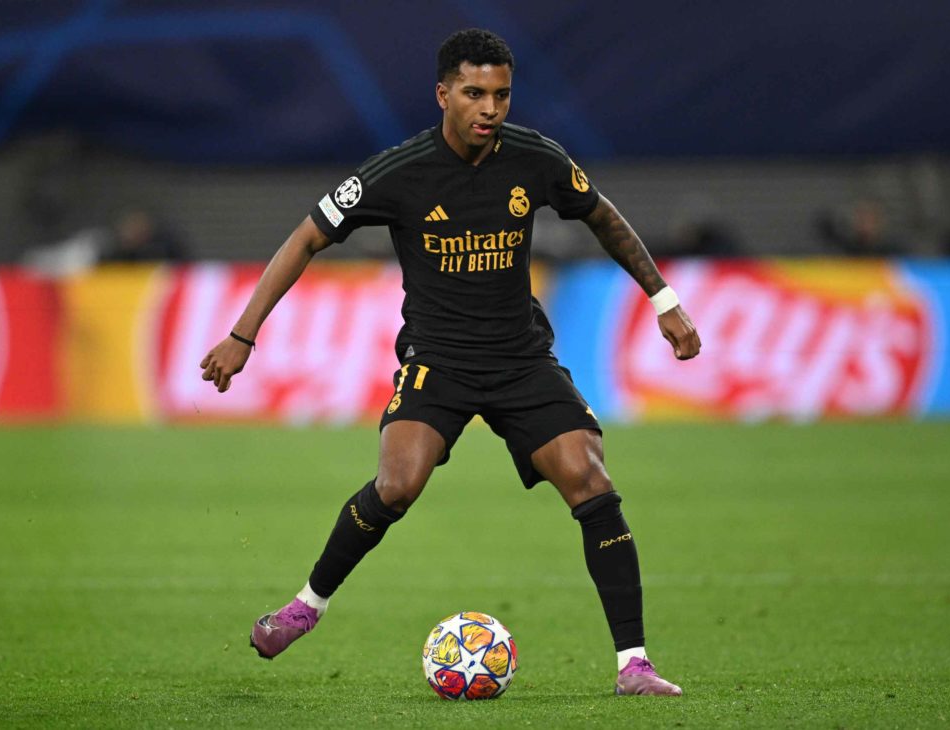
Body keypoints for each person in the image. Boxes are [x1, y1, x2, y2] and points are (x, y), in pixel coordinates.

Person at [199, 29, 701, 697]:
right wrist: (242, 333)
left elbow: (601, 215)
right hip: (439, 359)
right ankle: (305, 607)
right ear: (444, 94)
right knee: (397, 485)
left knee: (590, 478)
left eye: (500, 94)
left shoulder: (534, 159)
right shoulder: (399, 171)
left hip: (521, 357)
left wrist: (664, 299)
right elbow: (307, 236)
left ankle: (633, 664)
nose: (489, 108)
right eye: (474, 93)